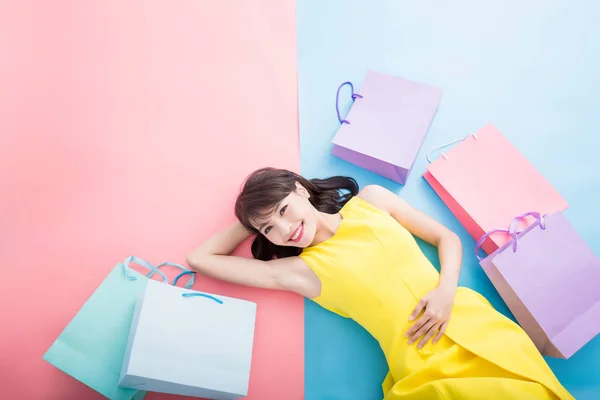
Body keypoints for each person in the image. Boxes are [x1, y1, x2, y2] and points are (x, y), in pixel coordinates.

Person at [186, 167, 574, 400]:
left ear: (301, 190)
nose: (284, 229)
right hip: (424, 363)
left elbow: (446, 239)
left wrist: (445, 292)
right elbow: (199, 259)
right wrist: (252, 215)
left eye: (284, 210)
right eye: (269, 228)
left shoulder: (371, 202)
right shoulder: (298, 272)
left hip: (475, 324)